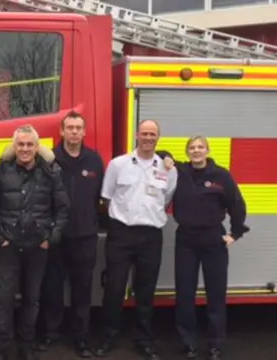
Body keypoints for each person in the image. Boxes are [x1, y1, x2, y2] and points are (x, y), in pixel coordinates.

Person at [0, 124, 71, 360]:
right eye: (20, 144)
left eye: (30, 144)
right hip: (7, 248)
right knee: (4, 301)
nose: (25, 149)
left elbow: (63, 209)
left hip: (37, 247)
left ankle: (26, 347)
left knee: (32, 300)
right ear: (14, 146)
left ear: (37, 147)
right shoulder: (1, 172)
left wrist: (51, 238)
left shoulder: (51, 173)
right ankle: (1, 348)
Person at [158, 136, 249, 360]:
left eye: (200, 147)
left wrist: (235, 233)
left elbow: (237, 204)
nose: (196, 151)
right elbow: (158, 153)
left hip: (213, 239)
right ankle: (188, 343)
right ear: (187, 152)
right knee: (184, 294)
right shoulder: (179, 171)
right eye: (192, 148)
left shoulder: (221, 175)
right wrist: (167, 158)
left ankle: (215, 344)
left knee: (216, 293)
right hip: (186, 239)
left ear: (207, 151)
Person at [95, 119, 178, 360]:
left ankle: (144, 340)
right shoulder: (118, 164)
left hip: (151, 236)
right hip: (121, 233)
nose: (149, 137)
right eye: (145, 133)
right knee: (114, 289)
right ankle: (108, 337)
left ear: (158, 138)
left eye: (153, 134)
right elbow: (107, 197)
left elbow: (166, 199)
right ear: (136, 135)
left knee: (145, 290)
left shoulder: (167, 168)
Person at [37, 111, 105, 358]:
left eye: (78, 128)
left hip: (85, 236)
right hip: (55, 236)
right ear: (62, 131)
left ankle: (81, 338)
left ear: (84, 132)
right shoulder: (49, 160)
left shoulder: (95, 160)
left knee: (82, 290)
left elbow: (101, 197)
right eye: (70, 128)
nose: (74, 132)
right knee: (52, 288)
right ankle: (50, 334)